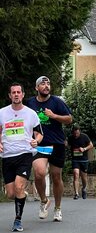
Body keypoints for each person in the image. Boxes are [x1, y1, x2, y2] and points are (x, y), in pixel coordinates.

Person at [27, 76, 72, 222]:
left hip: (56, 143)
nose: (46, 86)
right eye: (42, 84)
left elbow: (69, 119)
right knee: (39, 173)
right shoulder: (30, 103)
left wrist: (54, 115)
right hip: (39, 144)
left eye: (48, 84)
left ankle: (57, 208)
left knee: (56, 176)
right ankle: (44, 201)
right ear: (36, 88)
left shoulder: (57, 102)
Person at [0, 83, 43, 231]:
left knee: (18, 186)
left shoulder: (31, 113)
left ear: (23, 95)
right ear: (10, 95)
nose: (16, 94)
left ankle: (17, 221)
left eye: (19, 92)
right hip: (7, 156)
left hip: (24, 154)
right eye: (13, 92)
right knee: (11, 193)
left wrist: (36, 140)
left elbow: (39, 133)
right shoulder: (2, 113)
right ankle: (20, 194)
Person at [67, 125, 93, 200]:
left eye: (77, 133)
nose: (76, 135)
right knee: (76, 174)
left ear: (79, 132)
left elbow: (91, 145)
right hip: (75, 160)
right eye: (74, 134)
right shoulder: (70, 138)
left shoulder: (84, 136)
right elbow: (68, 146)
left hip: (84, 160)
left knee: (84, 178)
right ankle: (76, 193)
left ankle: (84, 188)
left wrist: (84, 149)